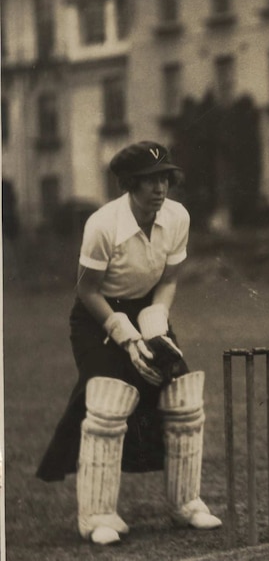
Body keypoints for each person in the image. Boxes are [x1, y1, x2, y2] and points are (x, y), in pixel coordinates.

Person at [36, 141, 221, 545]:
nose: (159, 188)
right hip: (97, 315)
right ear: (129, 184)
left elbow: (169, 279)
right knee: (107, 401)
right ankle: (97, 516)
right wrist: (125, 334)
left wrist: (154, 324)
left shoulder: (177, 217)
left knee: (182, 398)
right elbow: (87, 291)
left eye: (164, 179)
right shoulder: (103, 225)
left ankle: (185, 504)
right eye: (149, 181)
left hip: (147, 306)